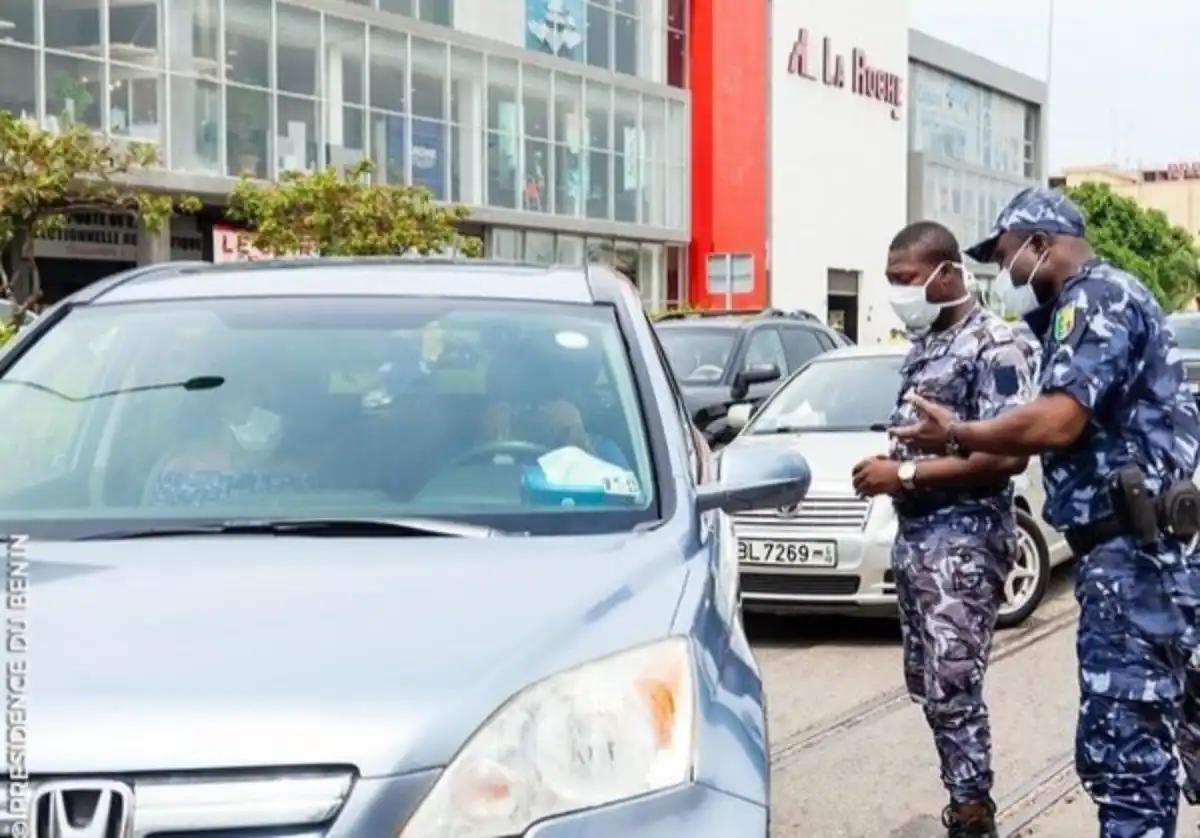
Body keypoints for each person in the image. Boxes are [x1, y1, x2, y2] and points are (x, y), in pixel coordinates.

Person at [893, 187, 1200, 837]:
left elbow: (1059, 420)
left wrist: (959, 433)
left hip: (1134, 560)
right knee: (1159, 736)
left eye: (1006, 259)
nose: (1004, 276)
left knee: (1125, 763)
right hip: (1138, 557)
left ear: (1040, 245)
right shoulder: (1075, 308)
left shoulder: (1096, 296)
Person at [852, 220, 1036, 837]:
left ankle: (972, 811)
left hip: (964, 541)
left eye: (905, 281)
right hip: (918, 544)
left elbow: (1010, 454)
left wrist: (901, 473)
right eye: (890, 283)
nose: (897, 294)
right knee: (930, 685)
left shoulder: (995, 344)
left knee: (955, 685)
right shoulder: (925, 346)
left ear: (947, 272)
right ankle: (962, 795)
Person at [149, 373, 314, 506]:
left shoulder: (293, 481)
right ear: (220, 405)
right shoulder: (182, 477)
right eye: (252, 395)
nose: (260, 405)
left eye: (271, 403)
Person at [479, 335, 629, 469]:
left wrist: (579, 441)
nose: (534, 410)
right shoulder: (474, 446)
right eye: (522, 402)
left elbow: (624, 494)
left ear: (568, 403)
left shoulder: (601, 447)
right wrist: (491, 441)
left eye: (546, 401)